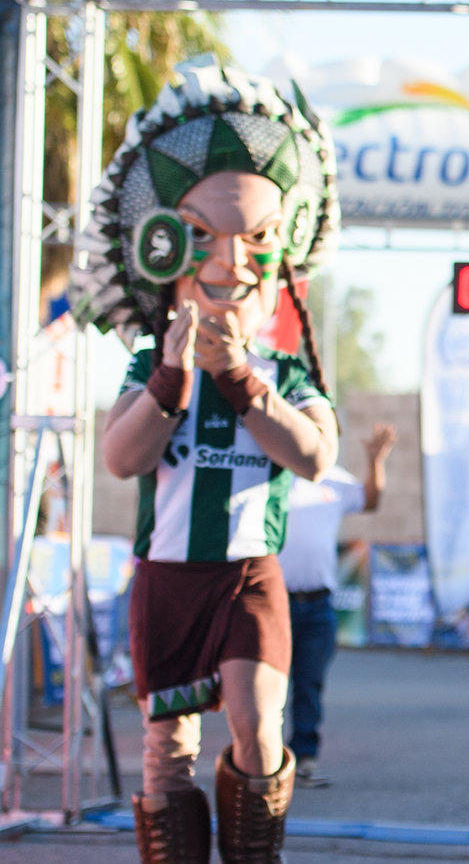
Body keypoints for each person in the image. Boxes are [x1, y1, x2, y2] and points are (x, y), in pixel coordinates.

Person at [76, 59, 340, 864]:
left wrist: (240, 379)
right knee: (168, 751)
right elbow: (121, 460)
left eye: (257, 240)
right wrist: (172, 375)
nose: (229, 263)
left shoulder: (288, 374)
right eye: (203, 241)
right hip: (166, 573)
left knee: (260, 729)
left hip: (248, 572)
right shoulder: (147, 369)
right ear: (165, 257)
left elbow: (315, 456)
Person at [279, 421, 396, 788]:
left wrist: (375, 460)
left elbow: (371, 499)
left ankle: (303, 760)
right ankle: (263, 764)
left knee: (309, 684)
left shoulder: (333, 478)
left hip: (317, 603)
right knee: (265, 687)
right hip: (273, 602)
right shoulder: (273, 472)